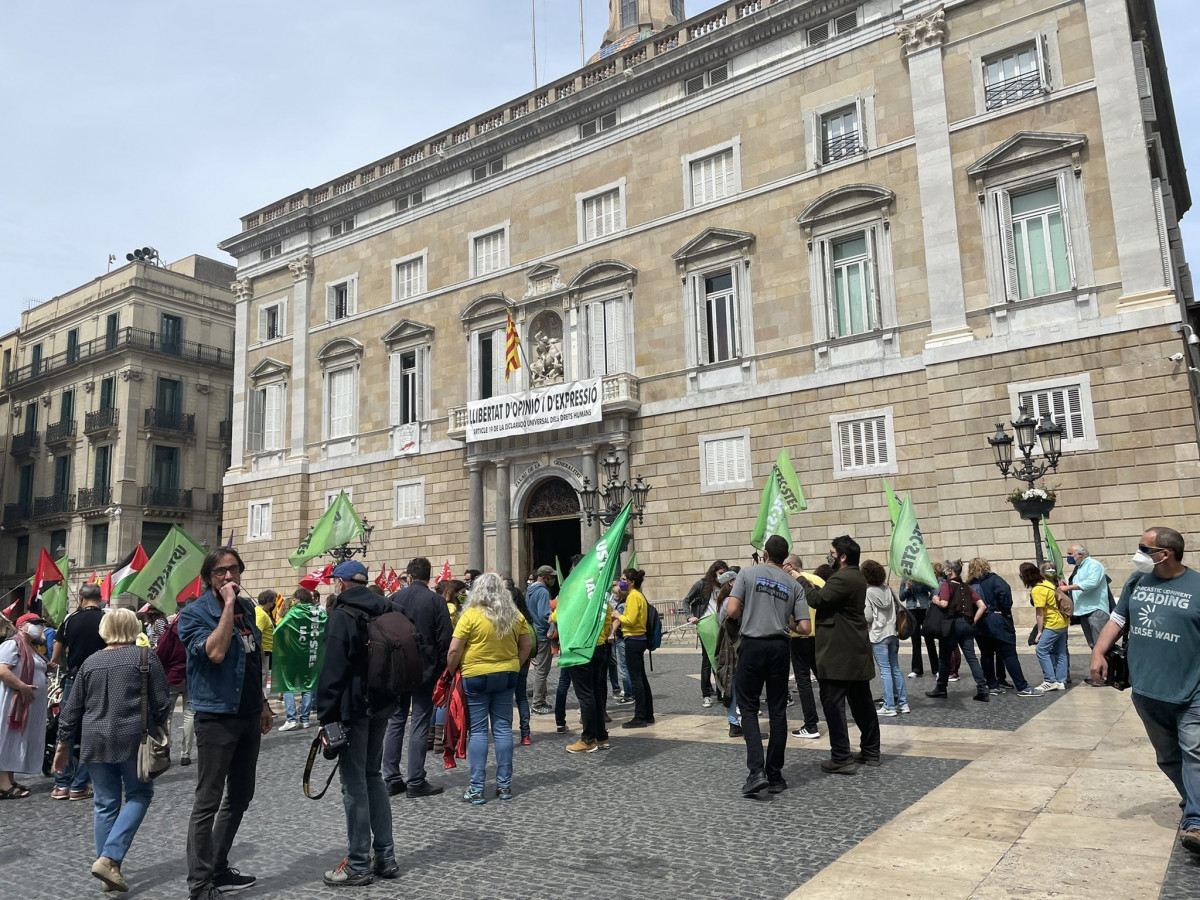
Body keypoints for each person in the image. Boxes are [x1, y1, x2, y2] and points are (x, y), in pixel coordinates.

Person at [1091, 526, 1200, 854]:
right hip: (1147, 689)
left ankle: (1195, 819)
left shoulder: (1197, 586)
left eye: (1144, 548)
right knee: (1167, 757)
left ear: (1164, 554)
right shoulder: (1137, 581)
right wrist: (1098, 651)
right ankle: (1193, 799)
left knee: (1194, 751)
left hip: (1191, 689)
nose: (1138, 553)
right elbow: (1117, 620)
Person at [177, 548, 273, 900]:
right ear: (209, 578)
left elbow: (251, 661)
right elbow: (215, 653)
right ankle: (200, 886)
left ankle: (218, 866)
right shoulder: (195, 613)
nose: (229, 577)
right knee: (208, 801)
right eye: (221, 572)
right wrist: (228, 607)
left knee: (242, 795)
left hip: (247, 713)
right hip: (216, 716)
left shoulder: (250, 610)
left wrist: (262, 703)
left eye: (233, 570)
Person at [54, 608, 170, 892]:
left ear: (105, 630)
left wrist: (63, 743)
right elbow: (163, 704)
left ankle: (108, 869)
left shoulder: (90, 662)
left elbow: (72, 709)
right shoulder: (145, 658)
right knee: (139, 795)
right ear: (133, 629)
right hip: (133, 738)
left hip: (94, 739)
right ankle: (110, 859)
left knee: (105, 805)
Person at [316, 560, 398, 886]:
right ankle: (386, 856)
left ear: (343, 583)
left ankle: (359, 863)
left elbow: (332, 672)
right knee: (373, 776)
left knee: (354, 786)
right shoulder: (387, 608)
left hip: (353, 709)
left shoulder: (342, 616)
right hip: (382, 705)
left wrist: (326, 717)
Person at [726, 535, 810, 795]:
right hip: (779, 648)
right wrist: (788, 623)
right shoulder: (794, 584)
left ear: (764, 553)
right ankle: (775, 774)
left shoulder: (747, 574)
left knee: (748, 709)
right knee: (777, 711)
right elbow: (805, 627)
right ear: (785, 557)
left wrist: (746, 612)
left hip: (752, 645)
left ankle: (756, 771)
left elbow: (731, 611)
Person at [443, 573, 532, 803]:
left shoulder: (470, 614)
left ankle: (477, 788)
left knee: (479, 731)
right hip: (507, 675)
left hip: (476, 676)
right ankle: (504, 786)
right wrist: (515, 664)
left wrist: (452, 671)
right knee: (503, 730)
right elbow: (527, 645)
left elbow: (454, 650)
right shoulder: (513, 614)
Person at [383, 557, 452, 799]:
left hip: (398, 670)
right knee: (420, 722)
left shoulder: (393, 599)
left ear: (409, 577)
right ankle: (415, 780)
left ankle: (391, 778)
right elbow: (445, 640)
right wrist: (445, 671)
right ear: (429, 577)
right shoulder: (436, 601)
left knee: (396, 721)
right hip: (425, 669)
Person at [811, 536, 879, 774]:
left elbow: (818, 599)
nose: (828, 556)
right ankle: (871, 751)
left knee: (833, 704)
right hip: (855, 651)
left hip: (839, 653)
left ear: (842, 557)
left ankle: (841, 757)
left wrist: (800, 580)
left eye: (831, 552)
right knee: (862, 703)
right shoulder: (857, 575)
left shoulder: (843, 576)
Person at [49, 582, 106, 801]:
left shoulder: (69, 620)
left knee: (67, 728)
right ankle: (79, 785)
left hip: (74, 678)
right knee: (93, 729)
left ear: (81, 599)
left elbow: (56, 655)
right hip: (100, 679)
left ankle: (61, 784)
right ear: (100, 598)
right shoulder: (106, 618)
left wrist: (68, 665)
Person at [968, 559, 1042, 698]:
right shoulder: (996, 580)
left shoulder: (970, 584)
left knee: (987, 655)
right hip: (999, 621)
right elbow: (1005, 596)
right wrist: (1004, 610)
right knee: (1009, 655)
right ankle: (1022, 687)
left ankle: (993, 685)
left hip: (980, 624)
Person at [0, 613, 49, 799]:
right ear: (21, 626)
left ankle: (9, 779)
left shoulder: (31, 648)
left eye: (40, 624)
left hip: (27, 704)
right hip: (13, 701)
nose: (39, 626)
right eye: (34, 623)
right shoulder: (11, 645)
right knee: (7, 739)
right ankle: (2, 783)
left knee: (16, 741)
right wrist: (22, 687)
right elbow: (2, 670)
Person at [925, 559, 989, 701]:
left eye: (946, 569)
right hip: (966, 624)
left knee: (944, 658)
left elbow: (944, 603)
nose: (945, 571)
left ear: (950, 571)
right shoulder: (966, 587)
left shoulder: (947, 586)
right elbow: (982, 606)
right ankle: (982, 689)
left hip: (950, 625)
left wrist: (936, 600)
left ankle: (941, 687)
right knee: (971, 658)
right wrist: (973, 621)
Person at [563, 588, 615, 753]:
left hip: (581, 649)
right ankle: (601, 736)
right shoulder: (602, 599)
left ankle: (588, 739)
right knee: (598, 693)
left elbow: (559, 616)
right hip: (599, 647)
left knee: (586, 695)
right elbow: (608, 621)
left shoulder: (576, 597)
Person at [781, 554, 822, 739]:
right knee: (825, 680)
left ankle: (811, 725)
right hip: (821, 637)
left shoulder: (788, 584)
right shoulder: (818, 580)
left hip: (799, 636)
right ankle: (835, 716)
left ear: (790, 566)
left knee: (803, 682)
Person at [862, 560, 908, 717]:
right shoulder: (888, 590)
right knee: (895, 668)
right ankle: (903, 703)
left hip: (878, 635)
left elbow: (867, 616)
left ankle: (889, 706)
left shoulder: (868, 593)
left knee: (885, 670)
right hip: (892, 633)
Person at [155, 605, 197, 765]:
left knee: (168, 715)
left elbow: (160, 653)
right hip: (191, 675)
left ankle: (166, 751)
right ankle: (185, 754)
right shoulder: (198, 628)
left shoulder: (171, 630)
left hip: (172, 676)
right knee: (190, 714)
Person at [278, 588, 324, 732]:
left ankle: (291, 719)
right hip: (311, 652)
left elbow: (279, 629)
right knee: (308, 686)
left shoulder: (294, 612)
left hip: (293, 654)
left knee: (287, 685)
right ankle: (305, 719)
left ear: (298, 599)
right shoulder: (319, 613)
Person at [1062, 544, 1110, 679]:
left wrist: (1068, 588)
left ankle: (1108, 675)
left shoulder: (1094, 565)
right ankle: (1099, 674)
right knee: (1093, 644)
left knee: (1101, 645)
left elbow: (1092, 583)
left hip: (1096, 609)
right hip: (1083, 611)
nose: (1068, 557)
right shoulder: (1079, 568)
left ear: (1081, 555)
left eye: (1070, 554)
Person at [685, 560, 728, 707]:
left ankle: (721, 691)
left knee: (721, 658)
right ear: (714, 572)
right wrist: (689, 616)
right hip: (705, 625)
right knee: (707, 660)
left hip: (720, 625)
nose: (722, 576)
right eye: (720, 573)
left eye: (724, 574)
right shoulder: (702, 584)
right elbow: (686, 601)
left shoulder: (724, 585)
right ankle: (706, 694)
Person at [432, 579, 467, 751]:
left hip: (435, 655)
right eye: (462, 592)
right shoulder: (453, 610)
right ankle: (440, 739)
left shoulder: (436, 606)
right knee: (444, 697)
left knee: (435, 695)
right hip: (450, 655)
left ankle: (431, 737)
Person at [616, 568, 654, 729]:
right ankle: (648, 714)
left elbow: (630, 620)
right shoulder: (639, 595)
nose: (621, 582)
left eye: (624, 579)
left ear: (631, 583)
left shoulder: (632, 597)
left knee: (636, 679)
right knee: (641, 678)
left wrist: (617, 616)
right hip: (640, 639)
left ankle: (640, 716)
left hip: (633, 638)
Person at [1022, 561, 1069, 691]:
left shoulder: (1037, 589)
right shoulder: (1047, 583)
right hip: (1063, 621)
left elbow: (1039, 613)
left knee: (1041, 650)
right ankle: (1061, 681)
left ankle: (1050, 680)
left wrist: (1039, 631)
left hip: (1052, 623)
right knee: (1061, 652)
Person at [527, 566, 556, 715]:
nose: (553, 579)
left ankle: (541, 699)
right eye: (551, 577)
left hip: (533, 632)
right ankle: (537, 703)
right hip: (543, 634)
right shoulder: (543, 591)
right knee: (542, 670)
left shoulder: (530, 590)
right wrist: (554, 620)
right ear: (545, 577)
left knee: (539, 668)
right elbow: (545, 614)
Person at [899, 578, 937, 679]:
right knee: (915, 641)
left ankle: (936, 669)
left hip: (924, 609)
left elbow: (933, 589)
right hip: (912, 611)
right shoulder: (904, 580)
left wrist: (922, 584)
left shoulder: (923, 578)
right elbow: (901, 598)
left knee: (929, 639)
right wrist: (907, 588)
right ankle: (916, 669)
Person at [255, 591, 276, 691]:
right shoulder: (261, 614)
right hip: (263, 650)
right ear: (268, 601)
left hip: (266, 649)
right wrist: (261, 649)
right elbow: (258, 632)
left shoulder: (262, 612)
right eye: (273, 602)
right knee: (263, 675)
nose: (273, 605)